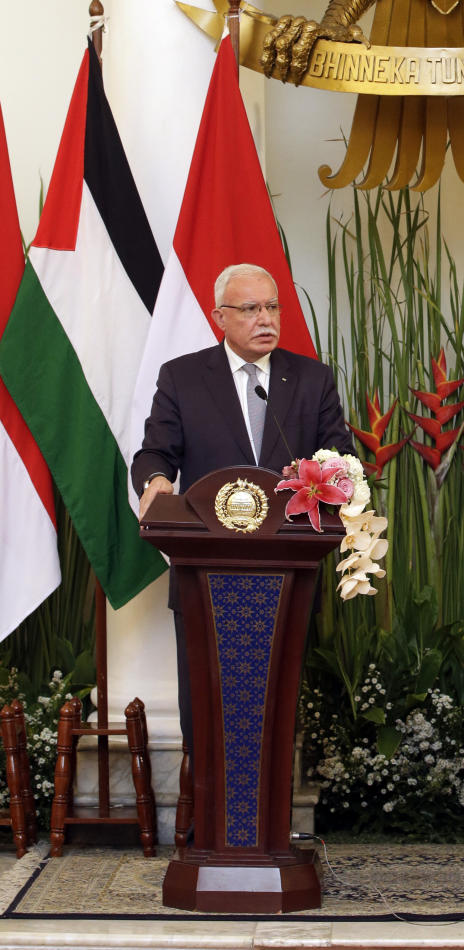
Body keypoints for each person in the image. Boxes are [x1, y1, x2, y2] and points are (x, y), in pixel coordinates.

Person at [132, 262, 353, 756]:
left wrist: (334, 479)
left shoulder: (312, 379)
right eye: (250, 309)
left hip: (287, 571)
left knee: (274, 706)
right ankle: (209, 824)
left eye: (272, 306)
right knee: (205, 707)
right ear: (220, 317)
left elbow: (340, 458)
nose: (265, 318)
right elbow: (154, 452)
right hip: (204, 573)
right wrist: (157, 479)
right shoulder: (184, 377)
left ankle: (267, 826)